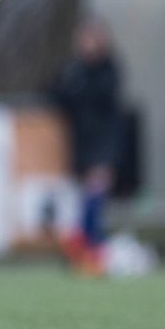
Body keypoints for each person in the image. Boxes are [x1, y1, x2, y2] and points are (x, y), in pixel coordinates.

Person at [49, 17, 124, 275]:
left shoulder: (108, 68)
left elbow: (104, 95)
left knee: (96, 191)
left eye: (92, 39)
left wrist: (79, 85)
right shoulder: (73, 69)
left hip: (104, 139)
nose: (87, 44)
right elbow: (57, 96)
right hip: (80, 140)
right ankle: (85, 251)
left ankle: (92, 249)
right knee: (84, 197)